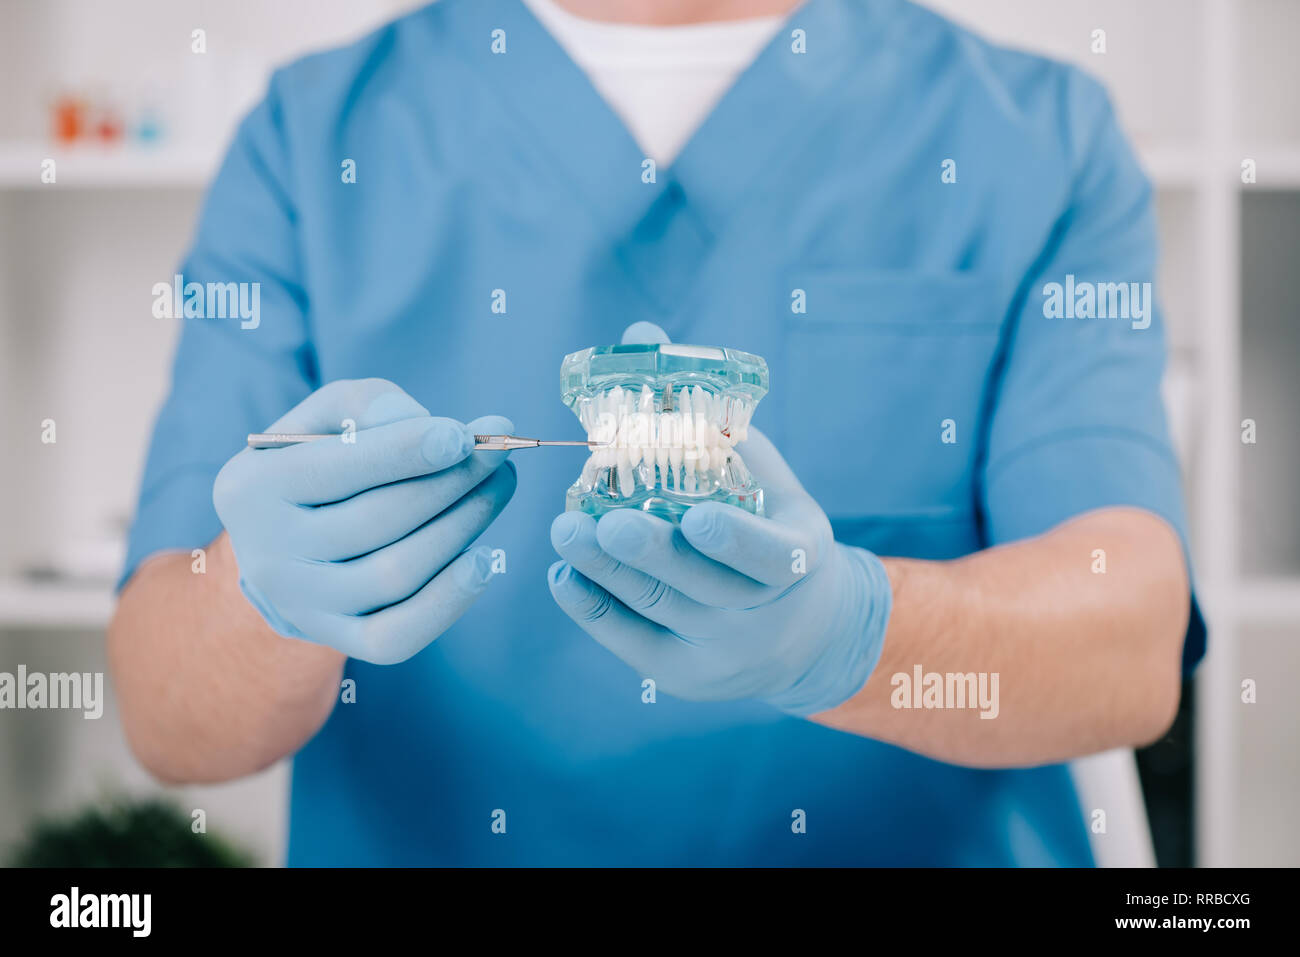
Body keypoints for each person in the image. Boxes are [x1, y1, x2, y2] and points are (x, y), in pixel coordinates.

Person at [108, 0, 1205, 866]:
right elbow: (166, 712)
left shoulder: (1036, 135)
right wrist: (259, 594)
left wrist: (852, 634)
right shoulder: (311, 138)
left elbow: (1130, 644)